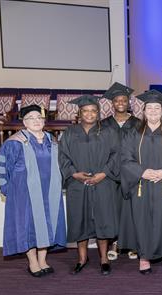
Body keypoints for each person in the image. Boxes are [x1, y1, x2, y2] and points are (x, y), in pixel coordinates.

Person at [120, 90, 162, 274]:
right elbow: (125, 158)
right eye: (149, 108)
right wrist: (142, 172)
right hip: (141, 185)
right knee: (143, 221)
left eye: (156, 108)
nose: (152, 111)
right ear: (143, 111)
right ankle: (144, 256)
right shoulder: (132, 133)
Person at [0, 104, 66, 277]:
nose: (36, 121)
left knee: (47, 224)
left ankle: (43, 260)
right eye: (31, 118)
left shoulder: (52, 140)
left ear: (43, 121)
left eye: (39, 118)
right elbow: (2, 165)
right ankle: (33, 262)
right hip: (24, 193)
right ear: (24, 123)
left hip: (49, 191)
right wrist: (6, 188)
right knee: (28, 226)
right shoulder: (14, 142)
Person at [59, 95, 119, 276]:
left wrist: (104, 173)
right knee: (80, 220)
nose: (90, 114)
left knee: (103, 220)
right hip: (78, 184)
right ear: (80, 112)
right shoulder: (70, 132)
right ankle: (82, 258)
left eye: (93, 111)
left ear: (98, 113)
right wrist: (73, 173)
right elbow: (62, 156)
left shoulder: (109, 131)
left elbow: (117, 155)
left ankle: (104, 258)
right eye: (86, 111)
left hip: (103, 183)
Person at [101, 82, 140, 261]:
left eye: (124, 100)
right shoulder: (104, 124)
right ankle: (115, 243)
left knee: (132, 210)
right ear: (112, 103)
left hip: (132, 173)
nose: (121, 103)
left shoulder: (138, 123)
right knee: (114, 210)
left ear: (128, 102)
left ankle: (132, 244)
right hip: (111, 174)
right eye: (117, 100)